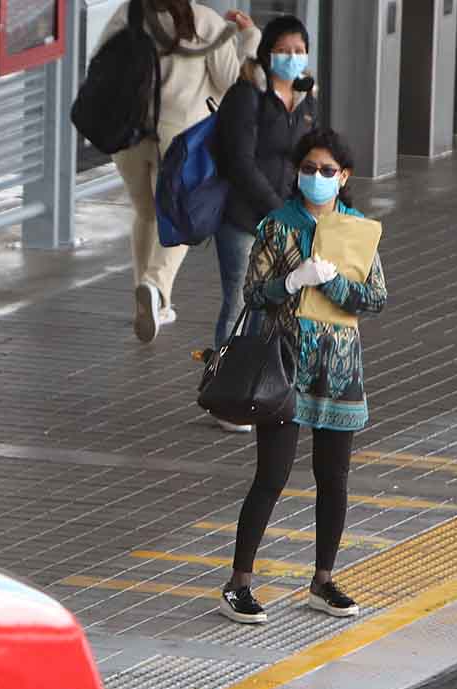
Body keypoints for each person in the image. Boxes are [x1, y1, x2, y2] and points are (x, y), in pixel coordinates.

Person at [219, 129, 387, 625]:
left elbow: (375, 297)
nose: (316, 178)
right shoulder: (277, 226)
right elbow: (252, 293)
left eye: (327, 170)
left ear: (344, 177)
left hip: (338, 369)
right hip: (285, 365)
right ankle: (240, 581)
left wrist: (333, 282)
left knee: (333, 477)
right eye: (309, 169)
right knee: (271, 474)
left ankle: (323, 579)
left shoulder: (358, 230)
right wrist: (292, 282)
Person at [97, 0, 260, 343]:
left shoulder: (128, 15)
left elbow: (99, 64)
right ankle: (155, 287)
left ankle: (147, 301)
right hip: (181, 138)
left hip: (129, 136)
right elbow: (231, 81)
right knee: (183, 216)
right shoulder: (204, 22)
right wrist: (249, 38)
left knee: (145, 213)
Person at [210, 14, 317, 434]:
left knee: (273, 307)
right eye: (285, 51)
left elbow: (313, 152)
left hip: (285, 221)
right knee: (239, 301)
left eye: (300, 51)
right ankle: (225, 392)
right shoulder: (247, 96)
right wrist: (275, 207)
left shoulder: (306, 98)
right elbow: (240, 161)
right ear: (266, 52)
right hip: (243, 220)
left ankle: (258, 388)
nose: (293, 59)